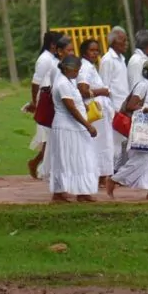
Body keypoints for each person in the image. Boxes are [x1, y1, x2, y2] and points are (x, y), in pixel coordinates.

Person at [107, 59, 148, 200]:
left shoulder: (147, 86)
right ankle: (115, 179)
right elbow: (131, 106)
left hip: (146, 127)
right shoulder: (142, 86)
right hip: (139, 128)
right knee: (143, 157)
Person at [49, 55, 99, 203]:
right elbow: (71, 108)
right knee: (71, 159)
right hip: (68, 128)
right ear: (68, 69)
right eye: (76, 70)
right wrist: (87, 125)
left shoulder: (69, 81)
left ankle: (78, 191)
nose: (78, 73)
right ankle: (69, 193)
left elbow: (76, 104)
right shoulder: (62, 83)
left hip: (74, 127)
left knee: (78, 159)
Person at [77, 38, 114, 186]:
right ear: (84, 52)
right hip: (94, 110)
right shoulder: (85, 67)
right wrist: (102, 91)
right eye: (91, 50)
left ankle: (102, 176)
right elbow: (83, 90)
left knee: (103, 143)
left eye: (97, 50)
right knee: (98, 144)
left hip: (101, 110)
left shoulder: (91, 67)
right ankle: (97, 175)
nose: (95, 53)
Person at [27, 31, 63, 180]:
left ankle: (39, 164)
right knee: (48, 138)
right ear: (53, 45)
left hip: (54, 101)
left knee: (50, 139)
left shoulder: (54, 59)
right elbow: (35, 83)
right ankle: (39, 164)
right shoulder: (44, 60)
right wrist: (35, 103)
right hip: (45, 102)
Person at [100, 27, 130, 168]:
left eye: (126, 40)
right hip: (114, 107)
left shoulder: (122, 59)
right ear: (113, 42)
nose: (126, 43)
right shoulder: (108, 60)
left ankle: (119, 171)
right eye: (122, 41)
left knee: (123, 141)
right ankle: (111, 172)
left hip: (124, 106)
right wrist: (111, 109)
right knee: (115, 142)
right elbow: (105, 86)